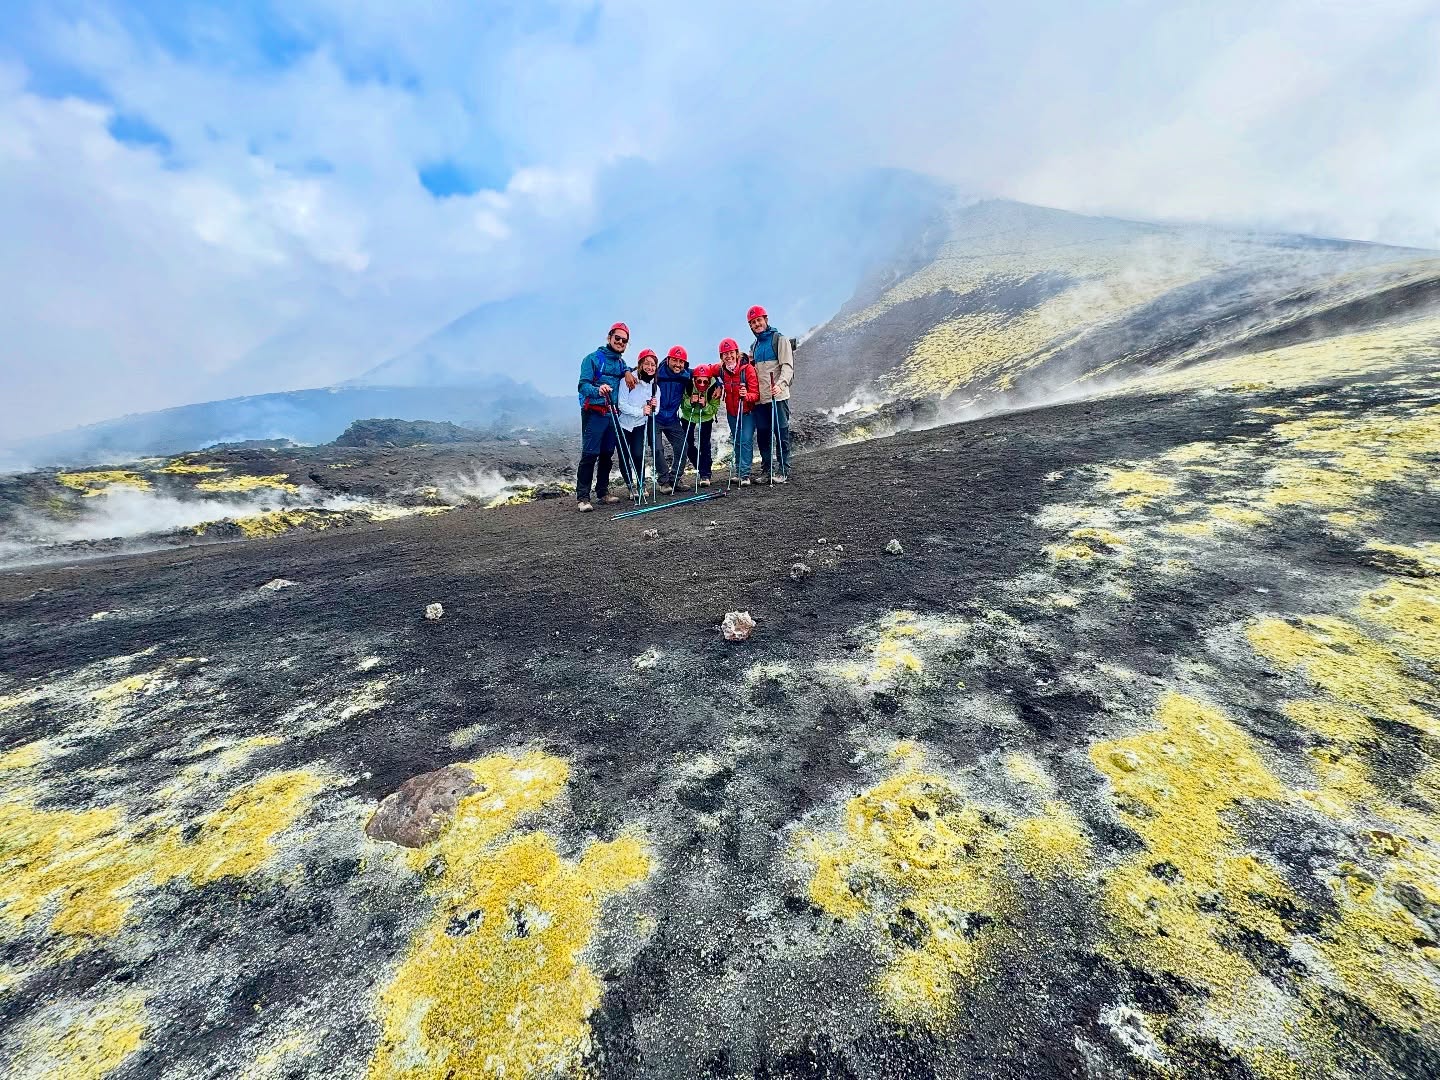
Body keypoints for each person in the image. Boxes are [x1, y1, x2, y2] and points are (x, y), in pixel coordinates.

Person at [575, 321, 636, 511]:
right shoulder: (592, 359)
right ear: (609, 337)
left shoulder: (620, 363)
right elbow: (582, 385)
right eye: (617, 338)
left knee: (607, 454)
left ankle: (602, 492)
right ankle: (583, 497)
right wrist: (598, 390)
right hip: (594, 412)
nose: (620, 342)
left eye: (624, 341)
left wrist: (627, 372)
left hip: (612, 414)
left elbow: (627, 369)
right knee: (590, 453)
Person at [747, 304, 794, 484]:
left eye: (759, 320)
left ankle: (783, 470)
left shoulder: (779, 340)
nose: (757, 324)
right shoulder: (755, 346)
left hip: (778, 396)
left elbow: (787, 366)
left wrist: (781, 384)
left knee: (781, 433)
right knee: (763, 435)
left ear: (766, 320)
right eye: (753, 322)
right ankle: (767, 470)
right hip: (761, 400)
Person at [616, 349, 659, 491]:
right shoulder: (627, 381)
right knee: (624, 456)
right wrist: (640, 411)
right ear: (640, 364)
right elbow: (622, 405)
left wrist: (653, 407)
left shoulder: (655, 387)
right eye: (646, 363)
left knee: (638, 454)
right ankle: (630, 486)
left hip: (639, 426)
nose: (650, 367)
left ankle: (641, 485)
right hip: (623, 425)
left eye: (653, 364)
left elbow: (655, 411)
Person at [717, 339, 759, 486]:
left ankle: (745, 475)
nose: (728, 356)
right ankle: (739, 472)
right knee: (737, 442)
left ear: (736, 353)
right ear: (721, 357)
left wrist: (746, 395)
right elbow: (708, 371)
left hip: (747, 412)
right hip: (732, 413)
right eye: (725, 354)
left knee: (745, 441)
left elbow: (756, 394)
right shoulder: (722, 370)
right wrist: (717, 384)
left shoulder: (747, 369)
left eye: (731, 353)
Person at [654, 346, 692, 493]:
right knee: (658, 449)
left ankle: (675, 479)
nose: (678, 364)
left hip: (672, 419)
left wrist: (719, 384)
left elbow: (706, 372)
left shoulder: (686, 375)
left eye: (681, 361)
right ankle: (664, 482)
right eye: (675, 360)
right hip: (655, 418)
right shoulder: (656, 373)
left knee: (682, 447)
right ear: (668, 359)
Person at [680, 364, 722, 488]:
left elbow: (714, 409)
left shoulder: (715, 387)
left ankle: (705, 475)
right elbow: (682, 404)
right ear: (694, 379)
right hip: (689, 416)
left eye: (705, 381)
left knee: (704, 444)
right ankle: (703, 467)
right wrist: (690, 402)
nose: (702, 384)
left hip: (706, 418)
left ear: (710, 381)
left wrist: (705, 406)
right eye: (699, 381)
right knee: (687, 444)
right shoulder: (688, 385)